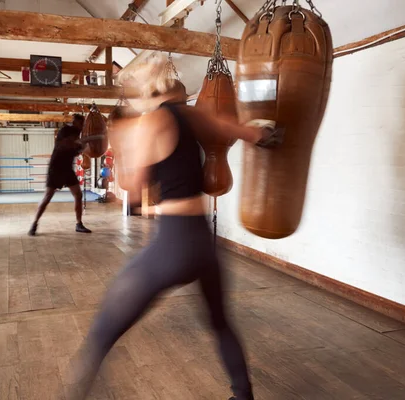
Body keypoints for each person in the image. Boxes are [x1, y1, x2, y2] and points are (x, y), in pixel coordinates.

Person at [68, 56, 282, 400]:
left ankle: (74, 393)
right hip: (204, 242)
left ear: (146, 90)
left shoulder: (151, 123)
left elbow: (134, 191)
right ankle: (243, 395)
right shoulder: (190, 113)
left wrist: (124, 144)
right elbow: (242, 131)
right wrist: (264, 134)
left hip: (174, 243)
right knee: (220, 322)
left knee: (107, 322)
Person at [28, 115, 92, 236]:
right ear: (76, 122)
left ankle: (79, 224)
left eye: (81, 124)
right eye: (80, 123)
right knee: (47, 197)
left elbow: (76, 150)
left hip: (67, 169)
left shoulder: (78, 134)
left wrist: (83, 147)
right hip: (56, 168)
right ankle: (34, 224)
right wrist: (81, 143)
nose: (81, 126)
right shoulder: (65, 131)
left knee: (78, 194)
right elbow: (67, 144)